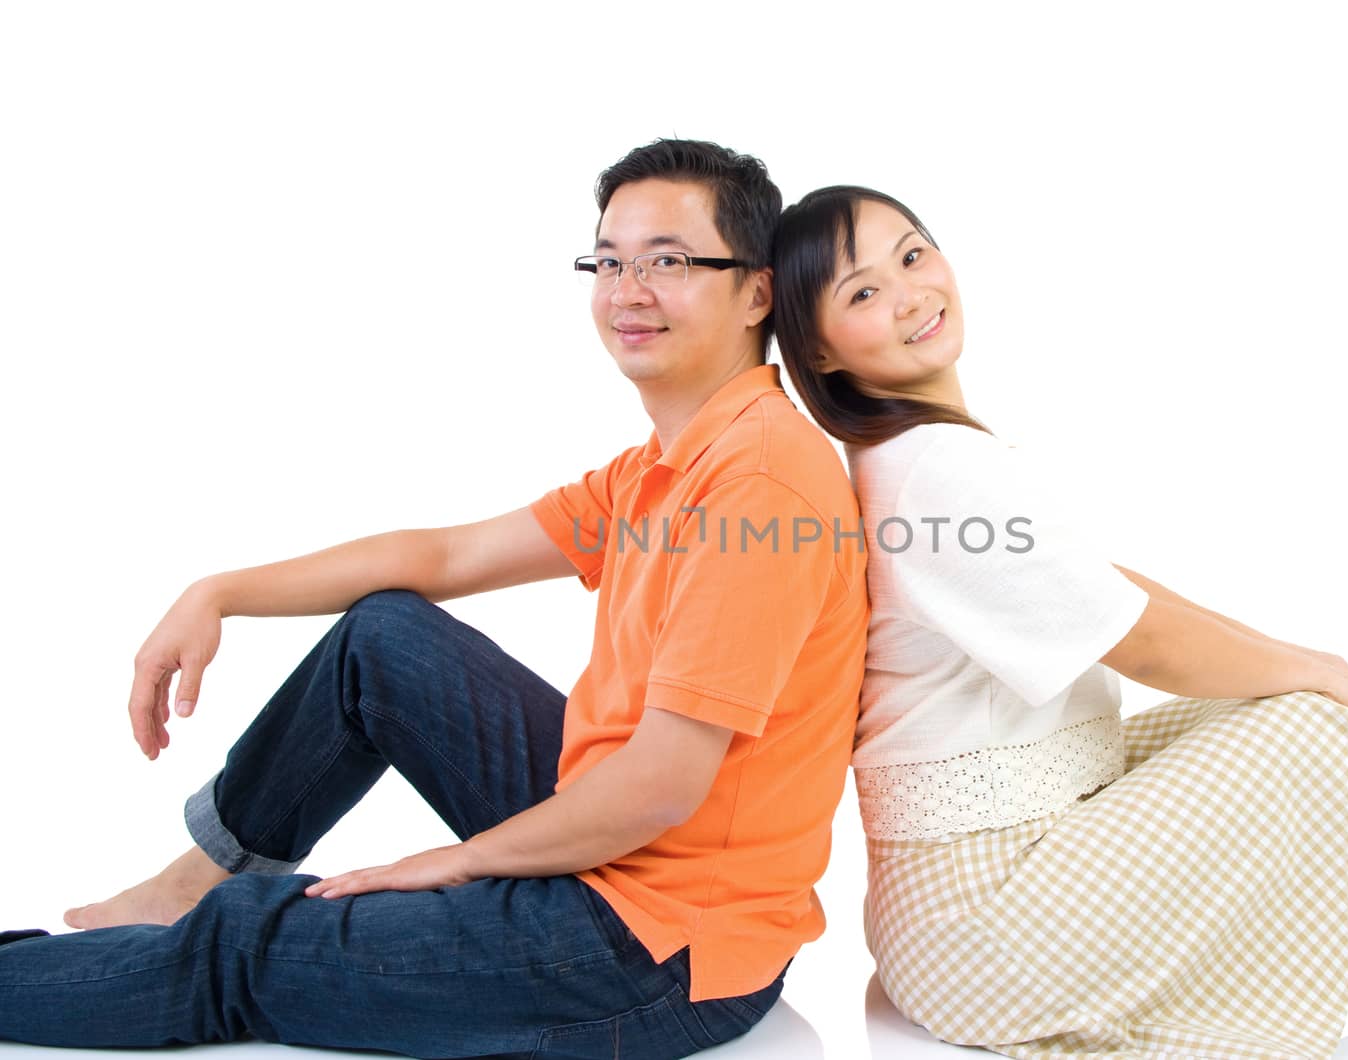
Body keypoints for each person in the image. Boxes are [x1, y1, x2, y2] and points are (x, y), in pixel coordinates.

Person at [0, 140, 870, 1060]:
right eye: (608, 260)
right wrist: (218, 591)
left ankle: (165, 934)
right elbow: (446, 554)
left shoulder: (759, 481)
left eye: (667, 261)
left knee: (238, 946)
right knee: (385, 639)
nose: (627, 290)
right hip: (625, 846)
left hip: (662, 949)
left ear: (757, 293)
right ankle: (191, 878)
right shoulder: (667, 462)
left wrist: (454, 866)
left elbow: (660, 786)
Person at [769, 185, 1348, 1058]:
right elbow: (1143, 641)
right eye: (862, 292)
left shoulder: (910, 456)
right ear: (818, 350)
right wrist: (1314, 672)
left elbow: (1100, 588)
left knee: (1278, 713)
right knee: (1308, 733)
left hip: (949, 917)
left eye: (913, 254)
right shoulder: (936, 471)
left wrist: (1298, 660)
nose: (910, 294)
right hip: (992, 925)